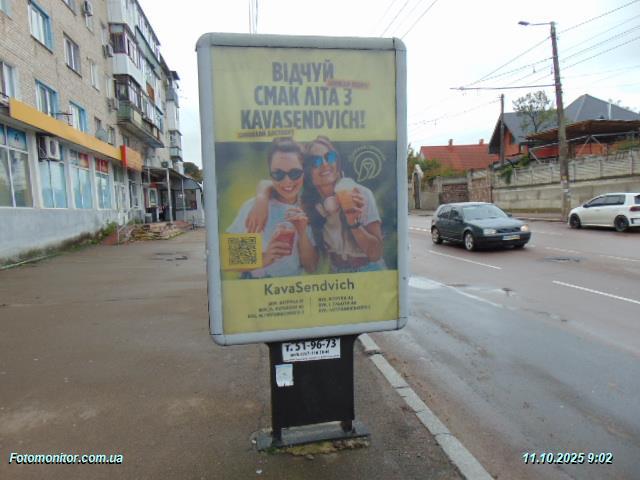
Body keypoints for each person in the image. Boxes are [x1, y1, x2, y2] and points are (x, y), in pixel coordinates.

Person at [246, 136, 384, 273]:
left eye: (330, 157)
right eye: (315, 161)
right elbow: (278, 183)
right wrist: (261, 198)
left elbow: (375, 254)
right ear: (306, 171)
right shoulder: (308, 205)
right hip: (337, 273)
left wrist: (354, 224)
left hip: (369, 270)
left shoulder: (359, 194)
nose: (325, 164)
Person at [226, 137, 318, 278]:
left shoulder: (306, 208)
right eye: (278, 174)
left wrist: (302, 232)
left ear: (304, 172)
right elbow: (232, 260)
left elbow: (311, 267)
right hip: (257, 285)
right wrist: (265, 258)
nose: (287, 181)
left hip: (290, 286)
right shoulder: (254, 207)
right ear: (270, 174)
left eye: (294, 173)